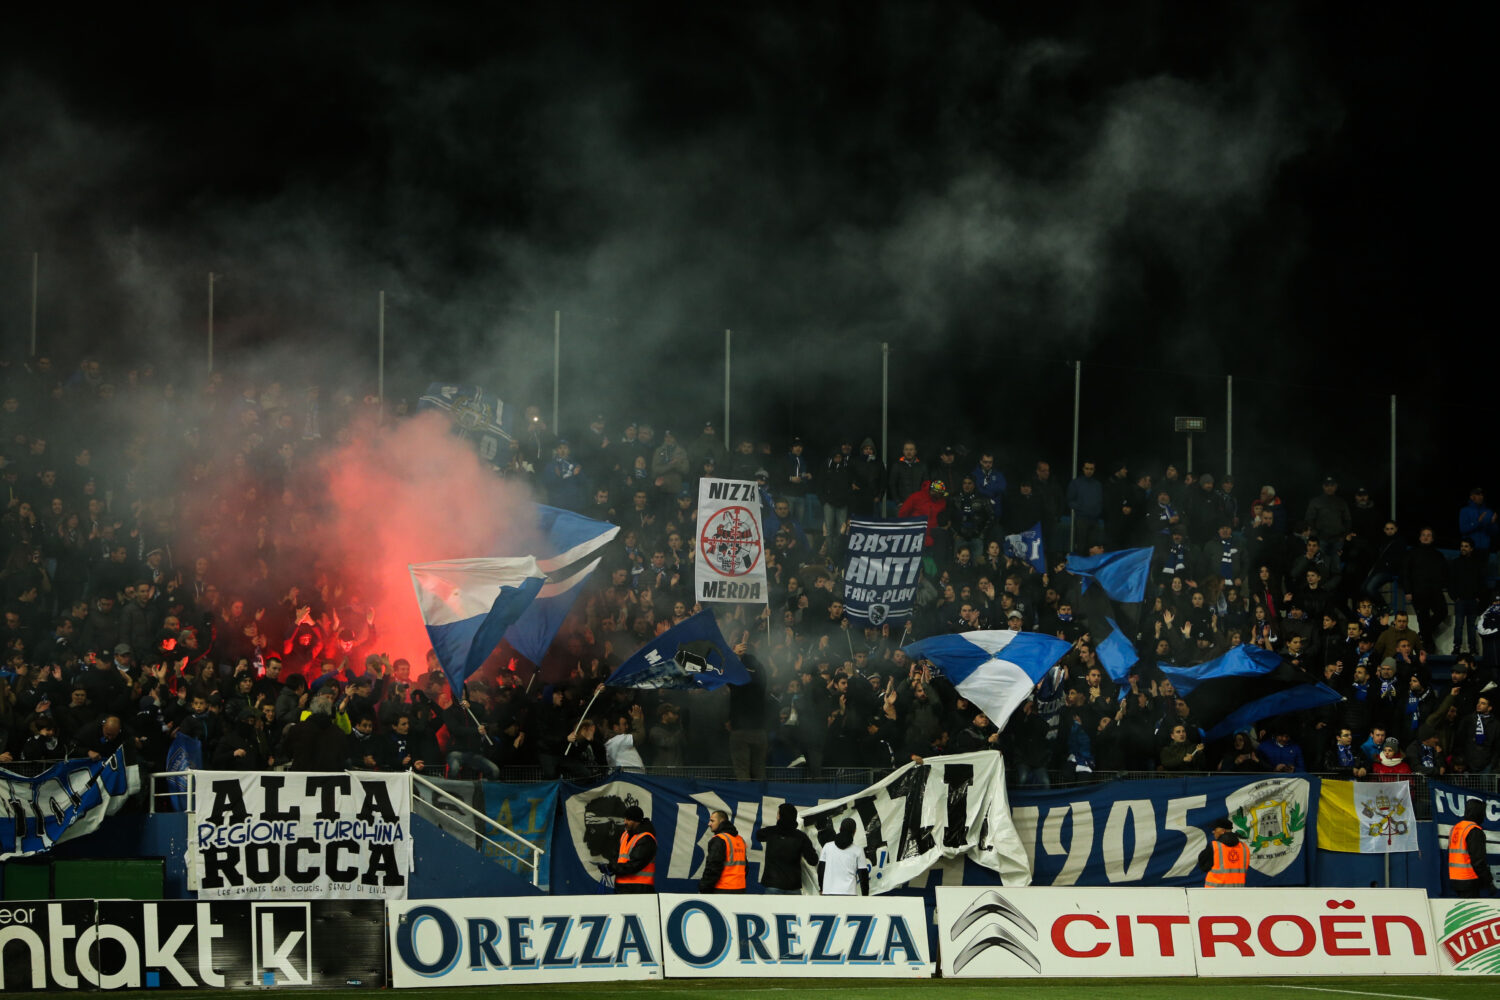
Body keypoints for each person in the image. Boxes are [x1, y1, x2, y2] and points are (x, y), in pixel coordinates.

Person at [754, 802, 818, 895]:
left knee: (772, 909)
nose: (776, 817)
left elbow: (758, 835)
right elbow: (813, 860)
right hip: (793, 887)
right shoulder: (801, 837)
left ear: (780, 817)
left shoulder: (770, 832)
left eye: (778, 814)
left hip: (773, 884)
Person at [600, 804, 657, 894]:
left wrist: (612, 867)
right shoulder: (624, 835)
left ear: (637, 821)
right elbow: (616, 856)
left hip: (640, 889)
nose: (625, 822)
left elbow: (634, 865)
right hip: (621, 887)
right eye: (625, 818)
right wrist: (609, 867)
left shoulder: (646, 838)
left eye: (629, 819)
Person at [1448, 798, 1494, 898]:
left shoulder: (1456, 828)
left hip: (1455, 878)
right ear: (1479, 813)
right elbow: (1478, 861)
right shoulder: (1474, 831)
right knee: (1471, 911)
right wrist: (1488, 881)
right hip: (1469, 879)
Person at [817, 817, 869, 896]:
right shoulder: (858, 850)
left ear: (840, 828)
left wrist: (821, 889)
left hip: (828, 893)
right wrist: (865, 896)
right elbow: (863, 876)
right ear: (854, 832)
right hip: (849, 894)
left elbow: (821, 870)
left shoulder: (827, 847)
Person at [699, 809, 748, 893]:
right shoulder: (740, 839)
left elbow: (713, 867)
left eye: (712, 821)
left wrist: (704, 888)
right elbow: (746, 867)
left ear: (721, 821)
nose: (709, 824)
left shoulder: (720, 839)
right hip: (740, 888)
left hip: (722, 888)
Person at [1198, 816, 1247, 887]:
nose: (1213, 831)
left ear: (1223, 831)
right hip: (1236, 893)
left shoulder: (1214, 847)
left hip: (1215, 893)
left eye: (1215, 829)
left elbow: (1204, 867)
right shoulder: (1244, 847)